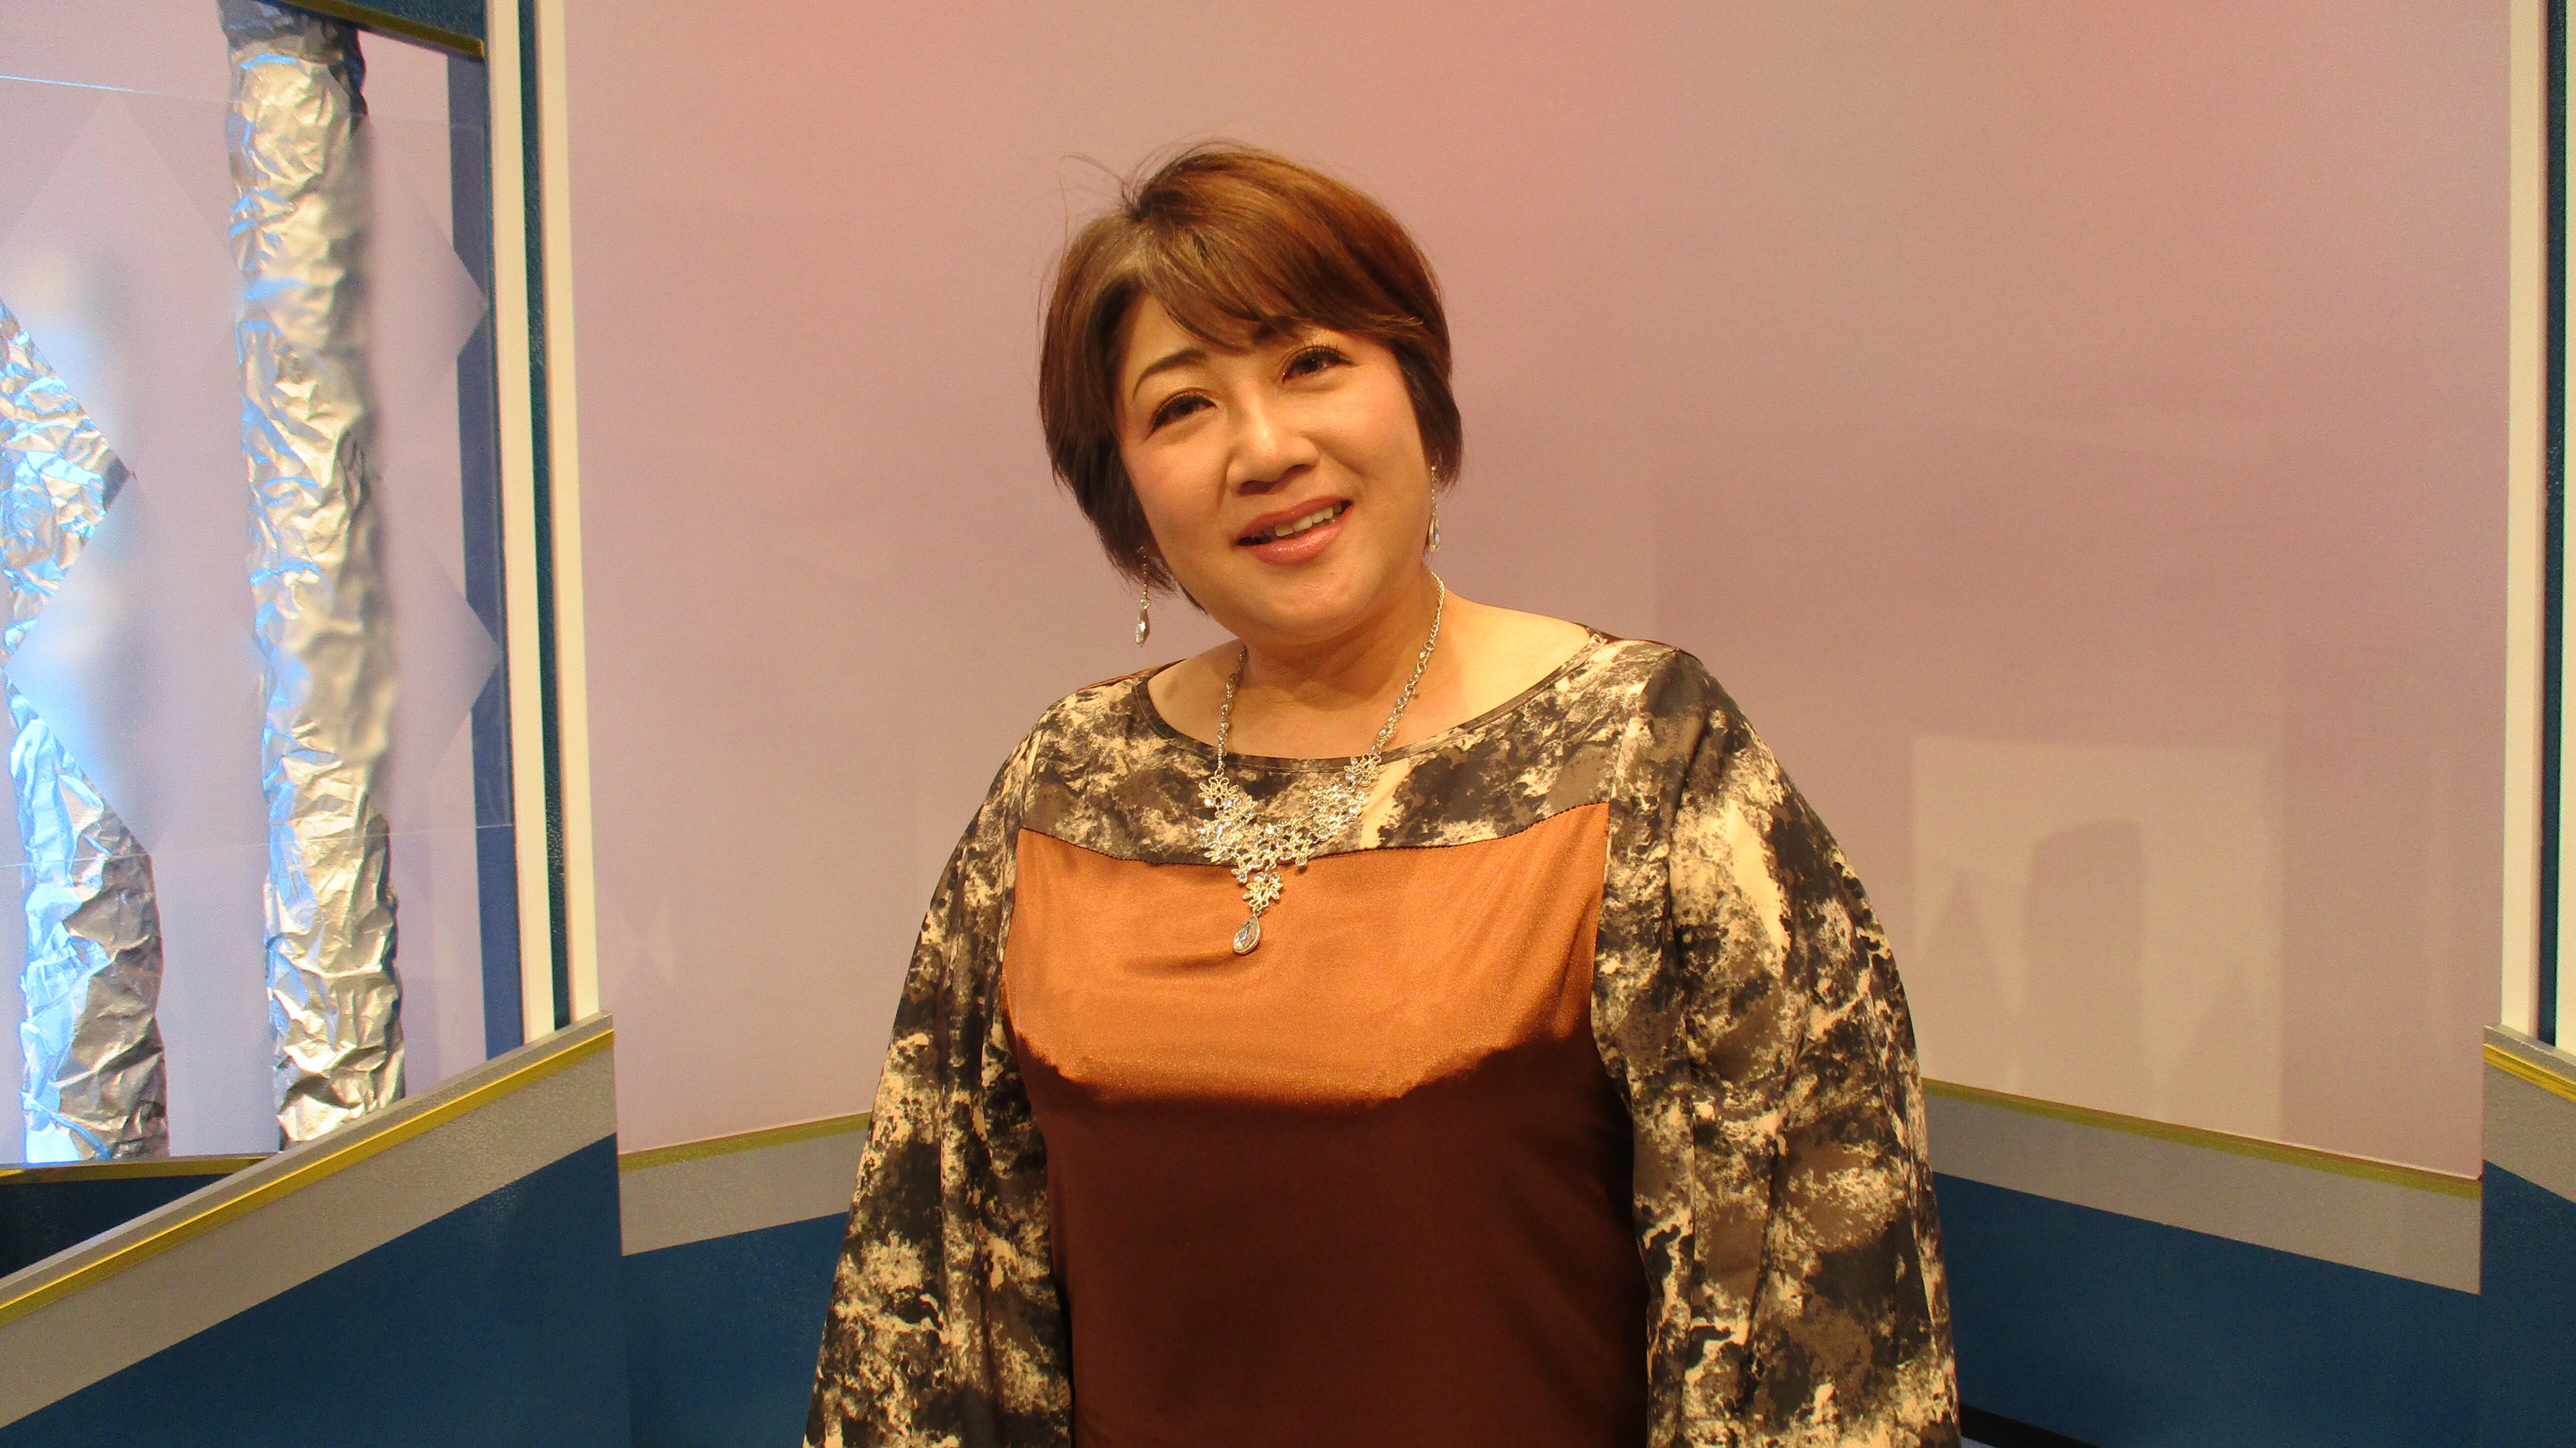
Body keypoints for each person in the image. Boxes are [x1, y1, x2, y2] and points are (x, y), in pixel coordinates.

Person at [806, 143, 1956, 1448]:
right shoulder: (1064, 791)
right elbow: (930, 1301)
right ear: (1121, 485)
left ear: (1416, 391)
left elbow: (1807, 1302)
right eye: (1183, 407)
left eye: (1311, 362)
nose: (1265, 449)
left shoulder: (1642, 757)